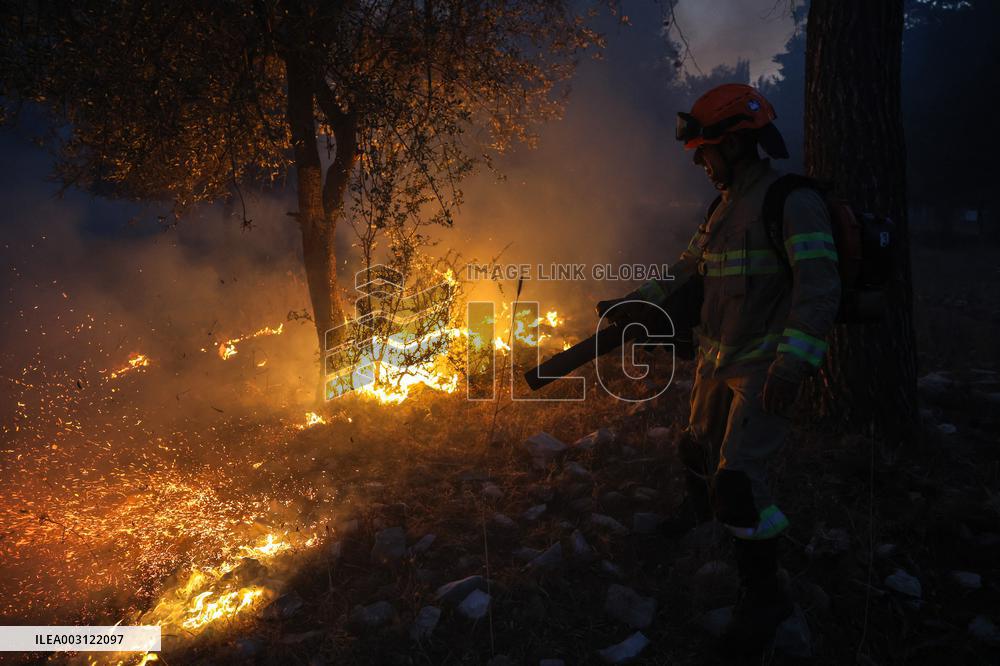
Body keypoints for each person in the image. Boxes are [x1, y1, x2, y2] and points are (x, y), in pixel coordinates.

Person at [614, 83, 841, 654]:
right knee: (696, 449)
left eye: (708, 149)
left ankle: (765, 595)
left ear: (739, 143)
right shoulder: (721, 208)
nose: (700, 160)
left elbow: (819, 289)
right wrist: (635, 303)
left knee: (739, 480)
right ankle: (697, 513)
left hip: (767, 364)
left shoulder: (791, 201)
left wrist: (793, 366)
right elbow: (687, 269)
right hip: (719, 358)